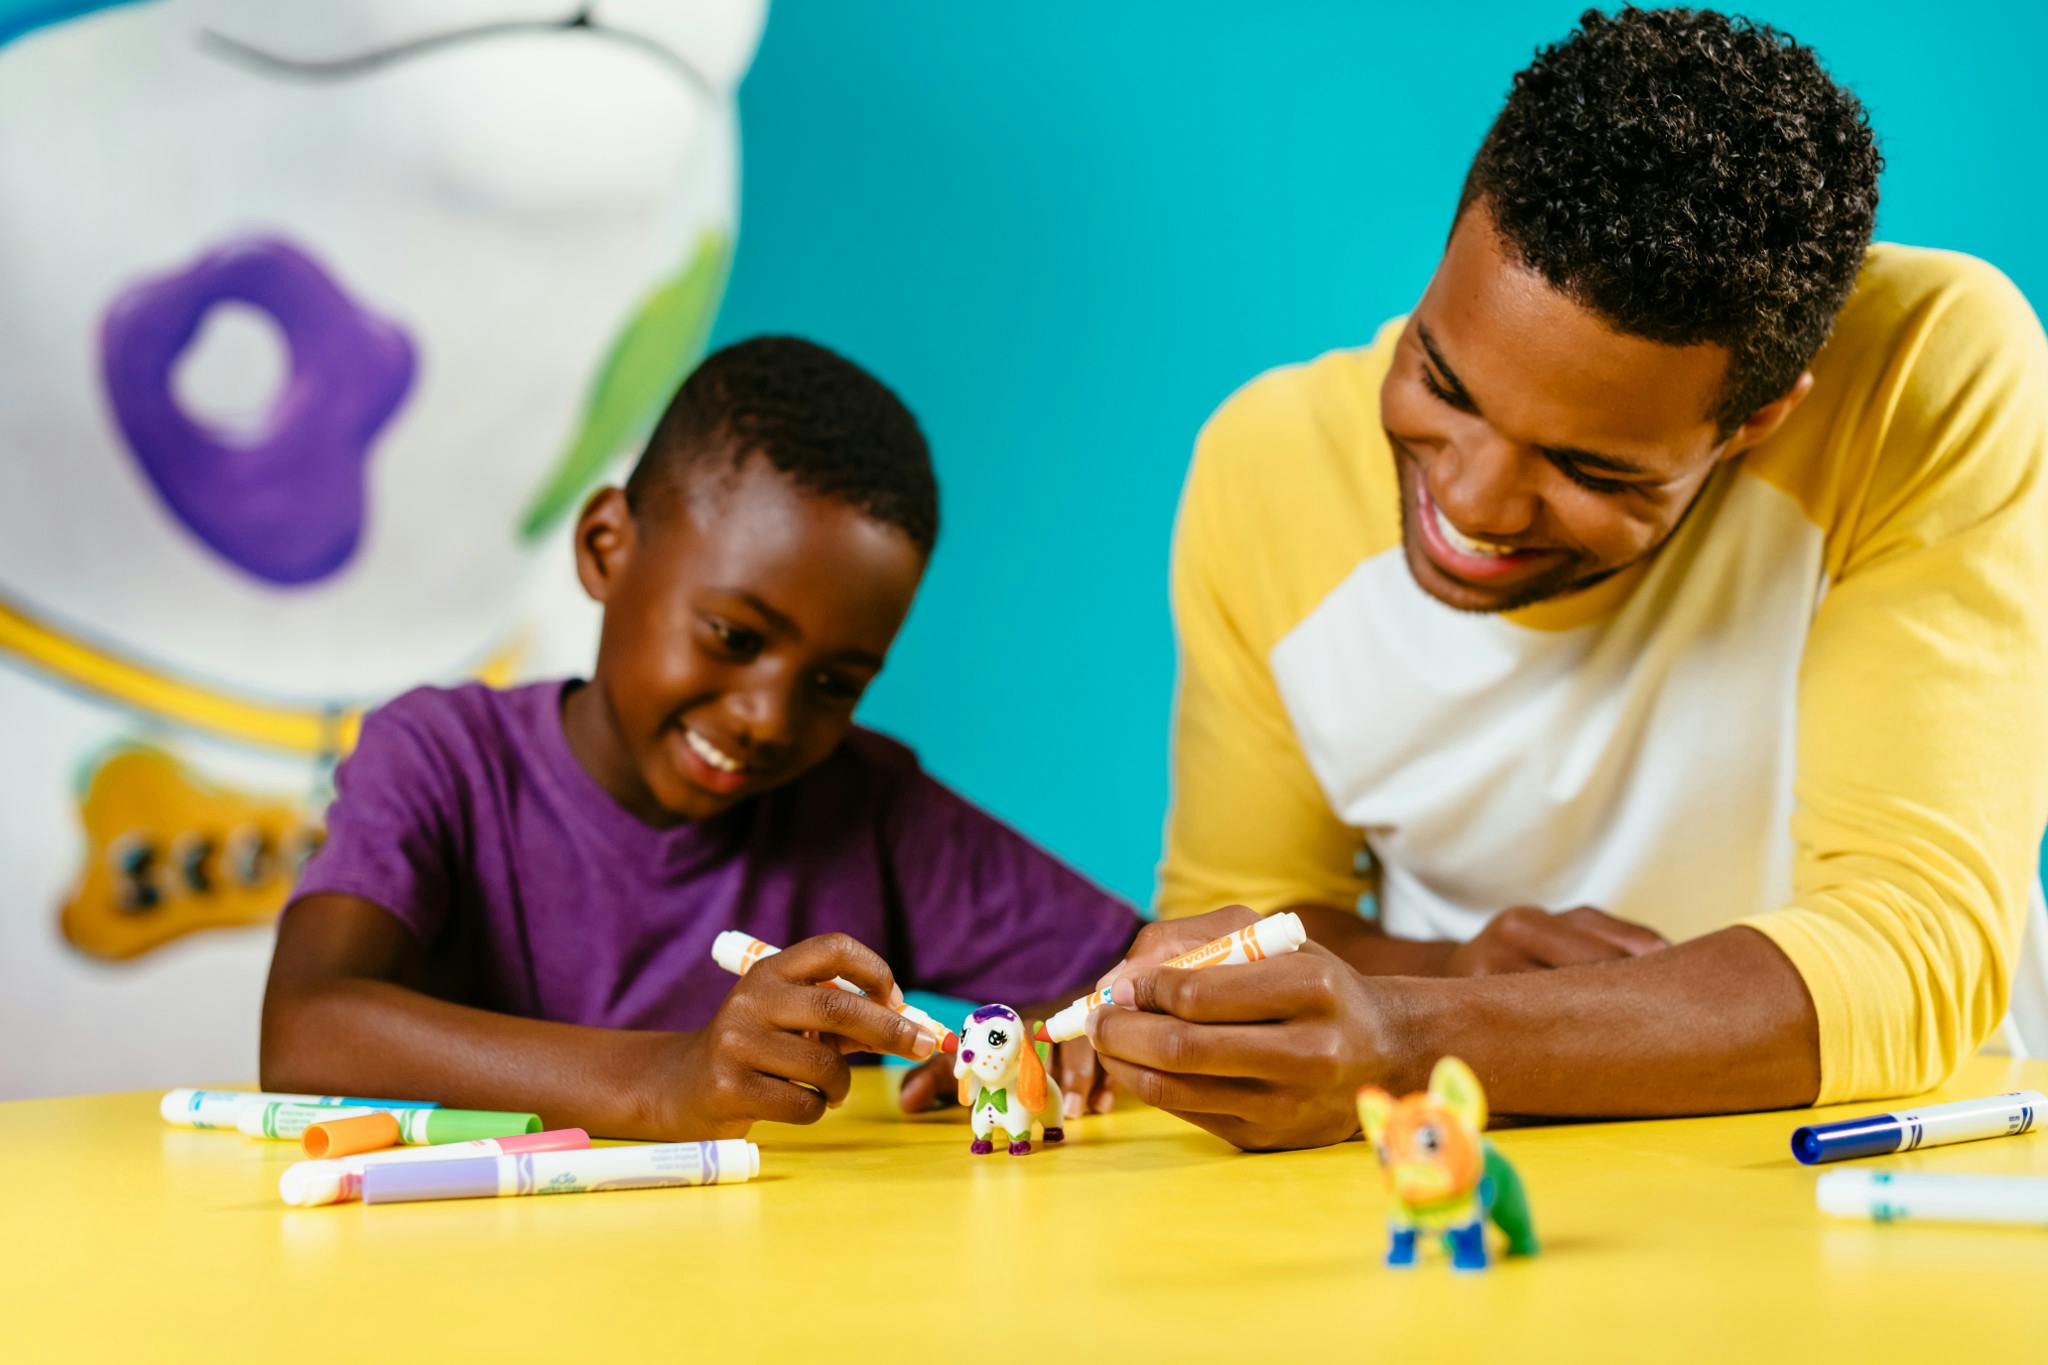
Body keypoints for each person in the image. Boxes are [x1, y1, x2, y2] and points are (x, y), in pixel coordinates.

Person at [1093, 6, 2048, 1151]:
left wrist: (1410, 1035)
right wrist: (1447, 975)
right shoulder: (1265, 465)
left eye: (1587, 466)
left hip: (1892, 1168)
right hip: (1471, 1172)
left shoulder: (1921, 373)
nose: (1475, 503)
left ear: (1755, 419)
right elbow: (1247, 918)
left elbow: (1913, 952)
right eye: (1440, 384)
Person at [261, 336, 1138, 1138]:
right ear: (606, 548)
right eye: (733, 636)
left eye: (834, 684)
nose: (769, 718)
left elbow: (1138, 974)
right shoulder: (443, 760)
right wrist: (667, 1079)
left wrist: (1052, 1039)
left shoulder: (867, 807)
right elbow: (305, 1029)